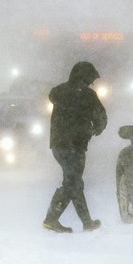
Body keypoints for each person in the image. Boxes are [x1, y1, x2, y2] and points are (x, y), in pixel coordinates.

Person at [42, 61, 107, 233]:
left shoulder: (59, 92)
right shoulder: (88, 95)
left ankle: (86, 222)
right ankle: (52, 219)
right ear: (85, 78)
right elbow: (101, 117)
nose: (90, 83)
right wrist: (95, 129)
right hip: (76, 146)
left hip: (58, 145)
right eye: (90, 80)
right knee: (73, 183)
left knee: (73, 182)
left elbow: (54, 98)